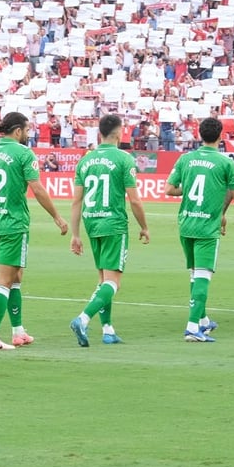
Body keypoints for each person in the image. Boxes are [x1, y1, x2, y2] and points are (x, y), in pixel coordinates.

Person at [0, 112, 68, 350]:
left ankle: (18, 331)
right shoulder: (23, 153)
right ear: (17, 131)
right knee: (4, 281)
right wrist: (57, 217)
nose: (28, 135)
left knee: (15, 277)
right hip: (14, 224)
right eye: (27, 131)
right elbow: (36, 188)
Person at [69, 114, 150, 347]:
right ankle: (83, 319)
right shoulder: (124, 159)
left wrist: (75, 234)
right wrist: (144, 227)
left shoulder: (85, 160)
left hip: (92, 223)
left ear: (99, 134)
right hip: (113, 224)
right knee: (113, 282)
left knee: (103, 279)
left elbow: (76, 201)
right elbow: (134, 200)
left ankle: (108, 329)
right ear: (119, 133)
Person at [165, 116, 234, 342]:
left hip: (186, 223)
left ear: (200, 135)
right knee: (203, 275)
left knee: (194, 273)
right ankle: (192, 327)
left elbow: (169, 189)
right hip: (207, 227)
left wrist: (186, 189)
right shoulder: (226, 162)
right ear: (221, 136)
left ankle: (201, 320)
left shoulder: (186, 159)